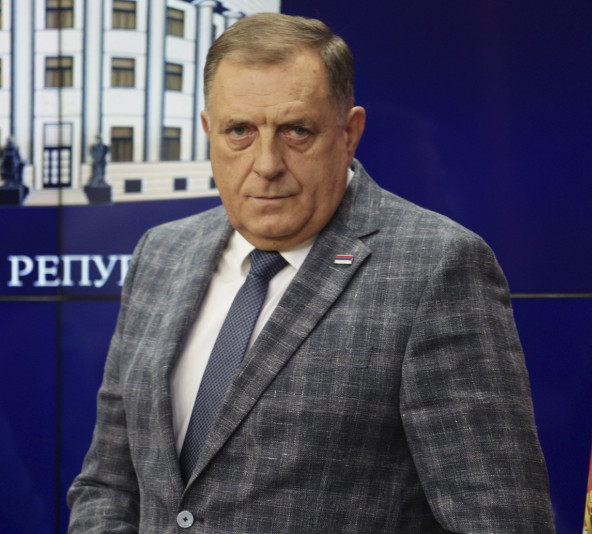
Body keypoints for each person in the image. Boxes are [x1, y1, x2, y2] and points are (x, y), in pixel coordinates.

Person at [67, 13, 555, 533]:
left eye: (296, 131)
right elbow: (109, 485)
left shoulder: (437, 267)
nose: (266, 163)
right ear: (209, 132)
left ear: (350, 133)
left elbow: (499, 519)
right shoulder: (162, 254)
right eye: (240, 131)